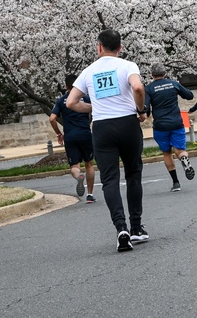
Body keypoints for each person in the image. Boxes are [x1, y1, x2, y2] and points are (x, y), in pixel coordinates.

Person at [67, 29, 148, 253]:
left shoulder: (88, 71)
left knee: (110, 179)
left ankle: (120, 228)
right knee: (133, 173)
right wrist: (140, 109)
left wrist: (95, 107)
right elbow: (138, 87)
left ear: (99, 47)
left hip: (102, 127)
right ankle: (137, 228)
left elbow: (71, 102)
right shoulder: (128, 65)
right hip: (127, 123)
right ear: (120, 48)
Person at [144, 65, 195, 192]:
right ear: (165, 73)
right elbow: (189, 95)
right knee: (180, 149)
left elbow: (146, 108)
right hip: (176, 122)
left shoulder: (149, 88)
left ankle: (176, 182)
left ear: (152, 75)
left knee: (167, 152)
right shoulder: (173, 84)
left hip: (161, 125)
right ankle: (184, 158)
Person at [49, 75, 96, 203]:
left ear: (66, 86)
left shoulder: (61, 100)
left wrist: (59, 133)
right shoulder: (86, 98)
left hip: (70, 136)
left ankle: (78, 176)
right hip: (85, 134)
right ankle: (90, 195)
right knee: (89, 163)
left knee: (74, 166)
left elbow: (52, 118)